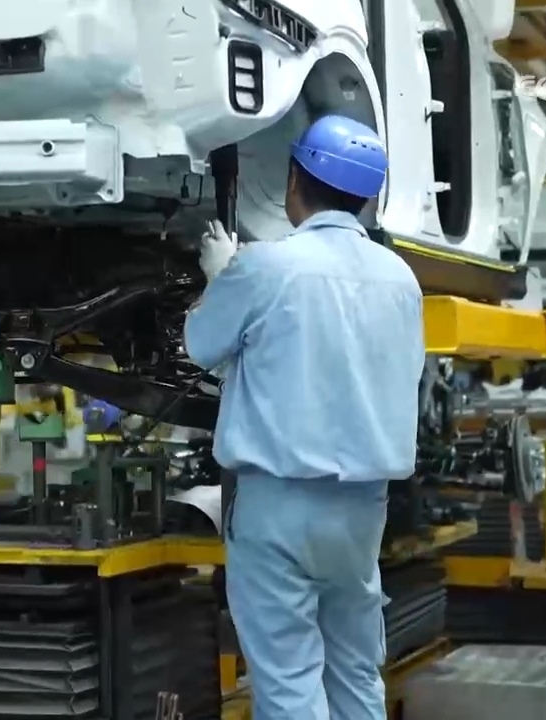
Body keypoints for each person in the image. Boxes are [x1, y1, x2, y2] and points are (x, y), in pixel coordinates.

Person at [183, 115, 424, 720]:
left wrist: (222, 276)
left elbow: (200, 344)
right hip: (362, 509)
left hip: (277, 506)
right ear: (368, 197)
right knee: (355, 671)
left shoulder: (266, 267)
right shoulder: (402, 279)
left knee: (289, 681)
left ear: (294, 180)